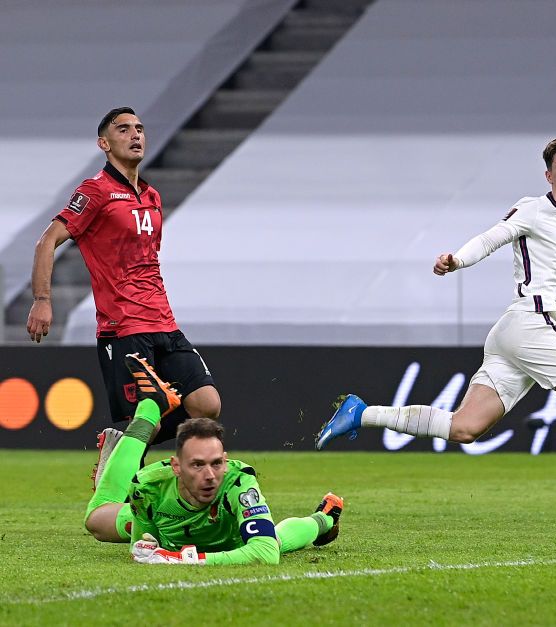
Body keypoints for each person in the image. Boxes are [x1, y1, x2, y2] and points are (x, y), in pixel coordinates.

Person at [315, 136, 556, 527]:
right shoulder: (533, 209)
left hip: (516, 333)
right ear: (549, 175)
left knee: (465, 428)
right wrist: (457, 259)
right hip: (532, 321)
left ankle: (362, 414)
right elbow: (492, 237)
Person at [25, 107, 220, 458]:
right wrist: (42, 299)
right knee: (145, 422)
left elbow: (146, 261)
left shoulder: (152, 196)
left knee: (207, 406)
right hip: (124, 327)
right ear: (104, 143)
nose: (135, 134)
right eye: (124, 129)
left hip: (164, 321)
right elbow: (47, 241)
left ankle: (117, 442)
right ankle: (121, 479)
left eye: (140, 128)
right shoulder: (95, 191)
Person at [85, 353, 344, 565]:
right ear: (176, 467)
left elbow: (265, 553)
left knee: (273, 540)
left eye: (216, 463)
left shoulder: (239, 482)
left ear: (226, 461)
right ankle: (150, 408)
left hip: (229, 541)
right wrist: (146, 546)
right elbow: (142, 547)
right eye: (197, 464)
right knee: (95, 521)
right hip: (168, 530)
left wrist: (187, 559)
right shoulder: (149, 486)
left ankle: (323, 518)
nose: (210, 474)